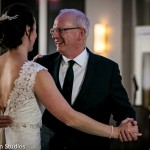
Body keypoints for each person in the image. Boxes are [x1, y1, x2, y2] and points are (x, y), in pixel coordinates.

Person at [0, 3, 141, 150]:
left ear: (81, 33)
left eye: (61, 30)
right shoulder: (41, 64)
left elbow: (123, 108)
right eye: (53, 30)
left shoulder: (107, 68)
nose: (54, 35)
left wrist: (128, 123)